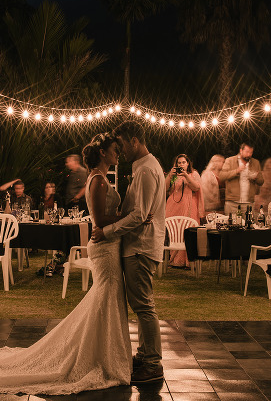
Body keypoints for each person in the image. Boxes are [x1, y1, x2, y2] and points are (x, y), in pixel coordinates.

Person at [0, 133, 134, 394]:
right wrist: (133, 215)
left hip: (108, 247)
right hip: (104, 247)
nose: (117, 154)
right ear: (102, 153)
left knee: (106, 299)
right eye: (114, 150)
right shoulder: (98, 181)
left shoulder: (96, 179)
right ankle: (98, 357)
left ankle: (105, 354)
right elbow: (100, 220)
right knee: (105, 298)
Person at [93, 120, 166, 383]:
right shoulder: (144, 167)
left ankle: (153, 364)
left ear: (134, 140)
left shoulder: (146, 170)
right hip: (138, 245)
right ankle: (145, 354)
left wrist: (107, 231)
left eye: (122, 144)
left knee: (144, 306)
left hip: (140, 247)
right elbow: (137, 212)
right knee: (141, 304)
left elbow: (139, 215)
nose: (121, 150)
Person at [165, 154, 204, 267]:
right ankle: (174, 260)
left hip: (189, 208)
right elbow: (164, 189)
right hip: (174, 208)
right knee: (174, 233)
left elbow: (196, 187)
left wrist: (186, 176)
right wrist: (169, 176)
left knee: (188, 232)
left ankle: (188, 262)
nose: (181, 165)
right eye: (179, 163)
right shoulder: (173, 175)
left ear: (188, 163)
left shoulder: (193, 174)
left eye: (183, 162)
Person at [218, 143, 264, 216]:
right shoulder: (230, 160)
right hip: (232, 202)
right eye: (247, 152)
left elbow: (261, 182)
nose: (249, 154)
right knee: (232, 225)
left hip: (249, 203)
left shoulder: (256, 163)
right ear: (241, 150)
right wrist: (237, 171)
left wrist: (256, 178)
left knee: (249, 225)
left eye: (251, 152)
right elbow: (222, 176)